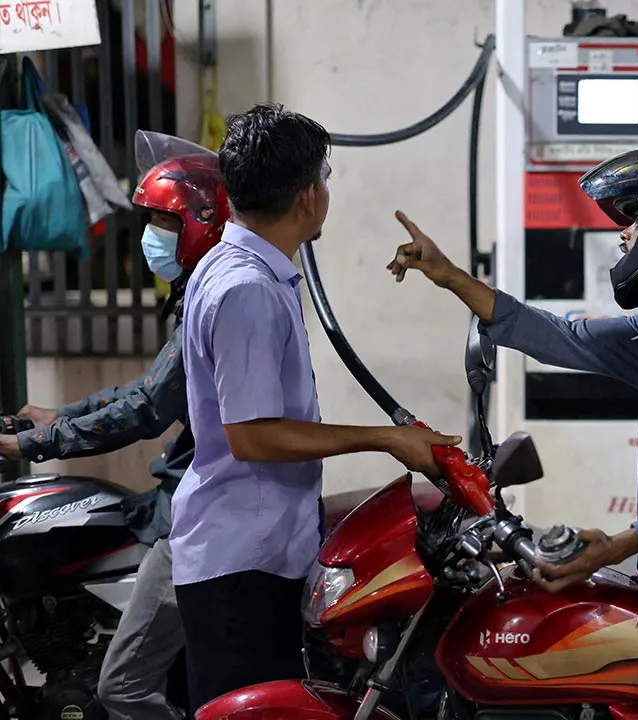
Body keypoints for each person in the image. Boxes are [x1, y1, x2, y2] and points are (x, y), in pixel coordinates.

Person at [388, 146, 638, 720]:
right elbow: (564, 337)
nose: (624, 236)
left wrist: (618, 543)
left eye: (635, 220)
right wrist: (451, 277)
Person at [171, 102, 462, 712]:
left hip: (257, 547)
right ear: (307, 196)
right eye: (325, 177)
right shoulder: (246, 288)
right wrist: (387, 440)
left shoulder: (244, 270)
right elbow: (252, 436)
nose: (327, 190)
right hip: (241, 562)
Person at [0, 139, 230, 720]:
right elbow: (147, 391)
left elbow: (147, 410)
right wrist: (60, 416)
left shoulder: (218, 294)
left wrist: (34, 444)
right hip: (206, 500)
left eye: (162, 221)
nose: (151, 235)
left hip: (201, 514)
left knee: (122, 687)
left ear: (204, 222)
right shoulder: (201, 291)